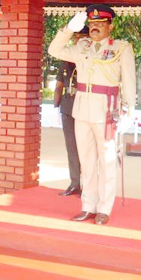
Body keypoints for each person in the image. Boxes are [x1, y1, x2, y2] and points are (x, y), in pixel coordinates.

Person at [48, 4, 136, 225]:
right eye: (91, 23)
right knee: (86, 161)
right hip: (82, 109)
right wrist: (68, 29)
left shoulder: (121, 48)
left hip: (106, 110)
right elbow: (54, 50)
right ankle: (88, 206)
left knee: (106, 161)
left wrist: (130, 110)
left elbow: (129, 81)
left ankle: (104, 208)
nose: (94, 27)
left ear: (110, 26)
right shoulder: (81, 46)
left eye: (100, 23)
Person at [54, 26, 89, 197]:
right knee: (71, 147)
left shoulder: (91, 58)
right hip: (68, 105)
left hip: (87, 106)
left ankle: (89, 186)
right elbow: (59, 84)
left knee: (87, 148)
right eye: (76, 37)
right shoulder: (66, 58)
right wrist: (56, 106)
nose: (78, 40)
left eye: (82, 37)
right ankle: (75, 183)